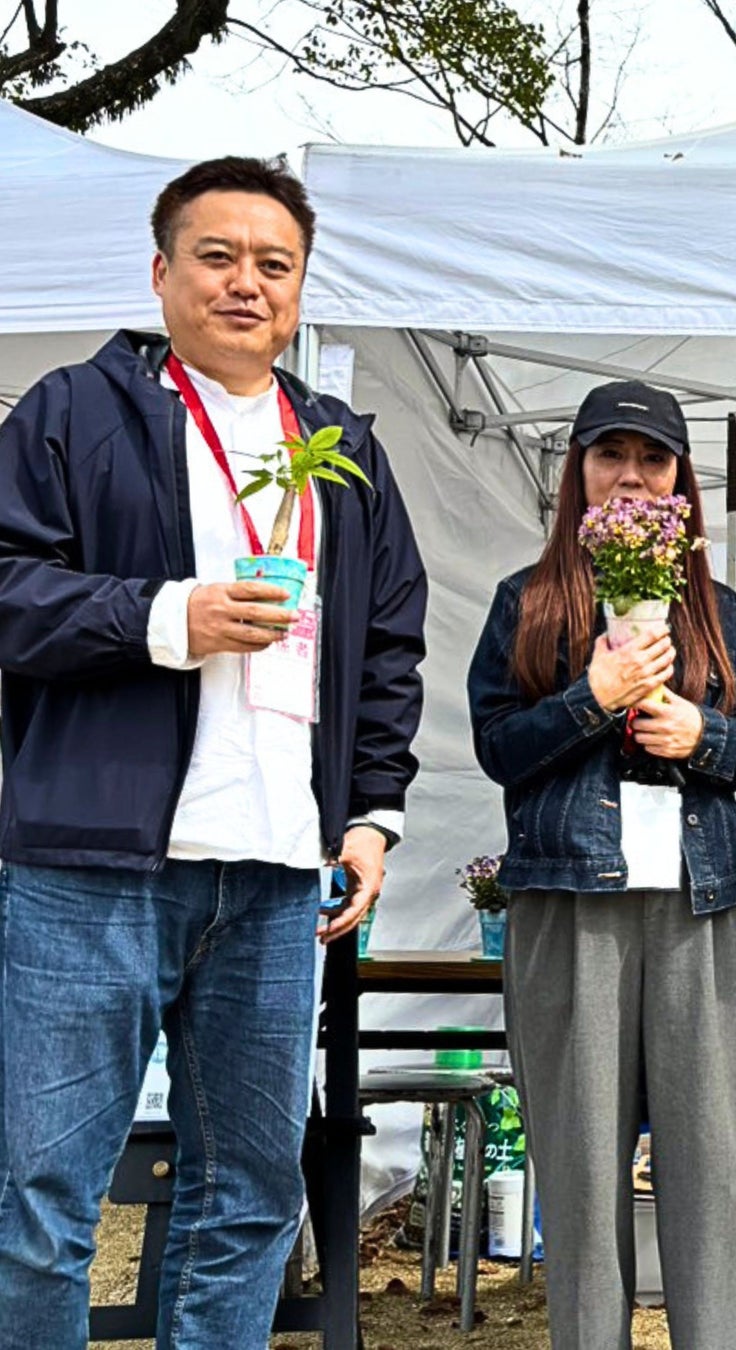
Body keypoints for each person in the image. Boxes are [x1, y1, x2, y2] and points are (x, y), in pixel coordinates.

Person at [0, 157, 427, 1348]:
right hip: (88, 867)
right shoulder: (72, 412)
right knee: (41, 1201)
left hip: (278, 875)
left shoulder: (339, 443)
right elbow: (8, 590)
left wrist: (370, 815)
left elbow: (389, 640)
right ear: (161, 272)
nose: (247, 283)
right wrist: (161, 617)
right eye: (218, 256)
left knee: (249, 1198)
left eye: (274, 264)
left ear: (300, 289)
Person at [467, 379, 736, 1350]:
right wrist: (590, 697)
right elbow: (497, 748)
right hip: (570, 905)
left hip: (696, 904)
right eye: (611, 455)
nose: (631, 476)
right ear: (579, 471)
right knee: (582, 1163)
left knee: (713, 1163)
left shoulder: (717, 606)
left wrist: (701, 734)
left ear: (681, 479)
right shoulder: (526, 600)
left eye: (652, 458)